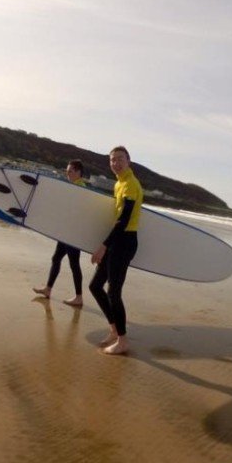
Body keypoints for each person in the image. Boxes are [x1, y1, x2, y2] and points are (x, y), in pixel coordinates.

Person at [89, 147, 142, 356]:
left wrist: (103, 245)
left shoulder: (130, 184)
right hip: (117, 241)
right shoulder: (119, 183)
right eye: (112, 160)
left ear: (129, 161)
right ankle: (114, 329)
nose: (116, 163)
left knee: (113, 292)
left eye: (120, 159)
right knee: (95, 286)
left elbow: (124, 220)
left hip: (125, 242)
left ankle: (123, 341)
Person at [32, 160, 90, 307]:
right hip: (66, 232)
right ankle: (48, 289)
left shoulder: (81, 188)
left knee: (74, 264)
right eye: (67, 170)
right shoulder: (72, 187)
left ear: (78, 172)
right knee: (56, 258)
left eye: (70, 171)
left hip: (72, 234)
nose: (67, 173)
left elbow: (78, 212)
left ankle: (79, 297)